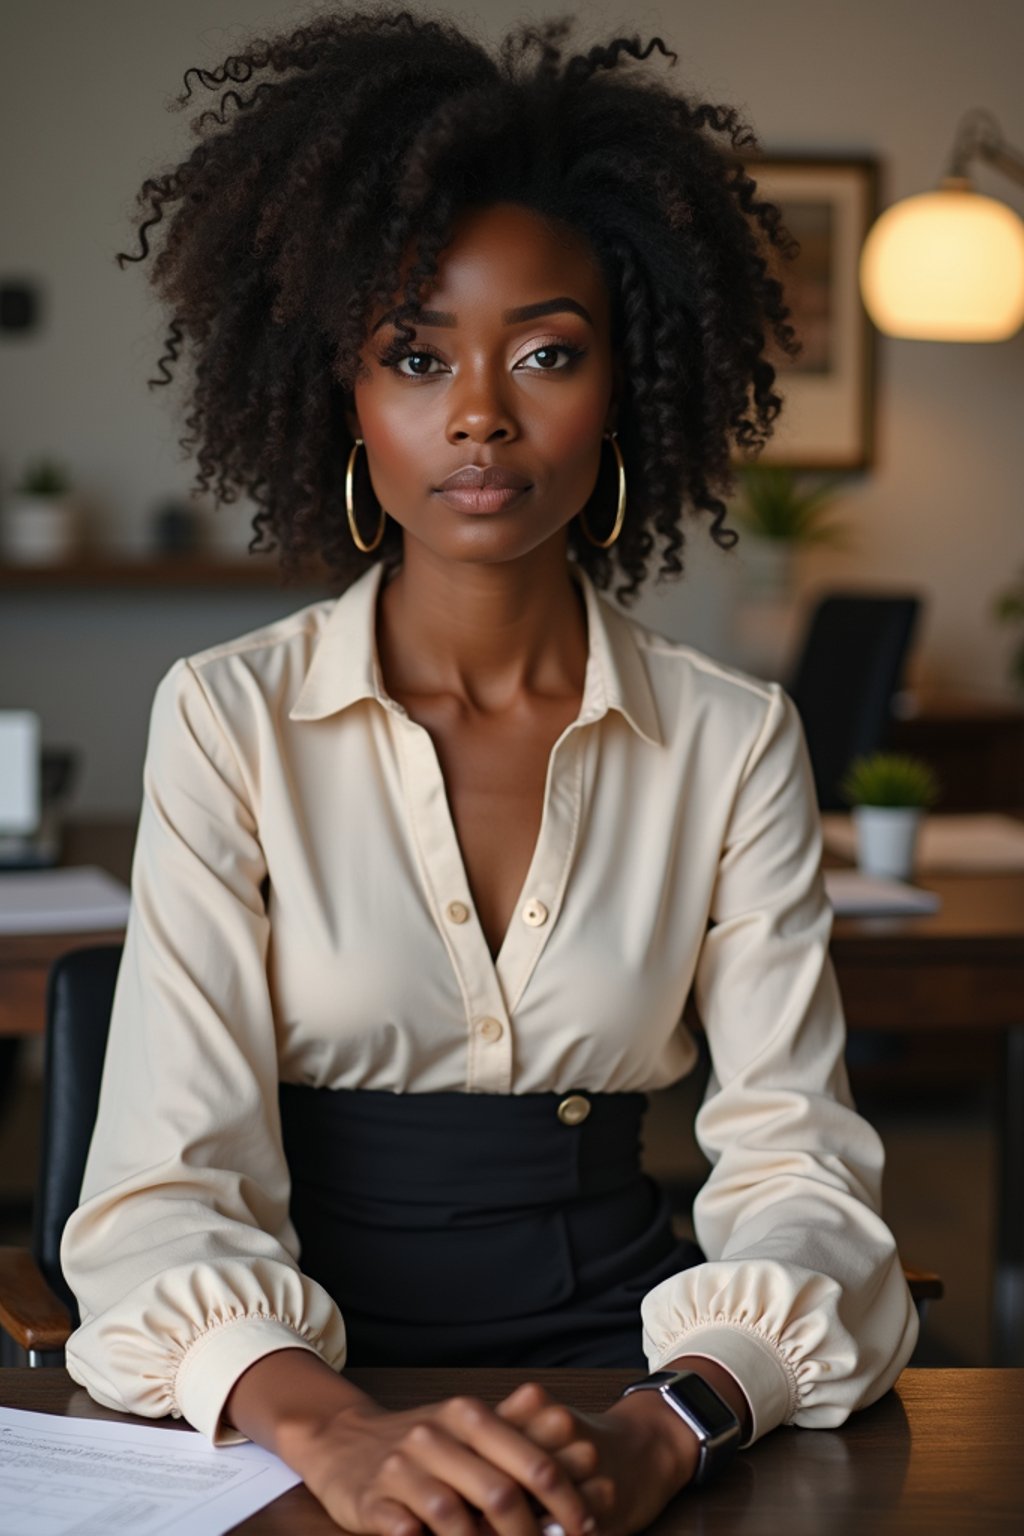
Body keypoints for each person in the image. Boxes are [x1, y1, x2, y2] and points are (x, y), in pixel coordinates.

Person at [60, 8, 919, 1535]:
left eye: (546, 352)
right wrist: (334, 1433)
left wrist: (675, 1426)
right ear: (340, 393)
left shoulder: (732, 740)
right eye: (414, 353)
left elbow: (801, 1174)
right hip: (299, 1399)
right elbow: (159, 1194)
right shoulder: (227, 718)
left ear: (628, 387)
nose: (479, 413)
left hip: (635, 1391)